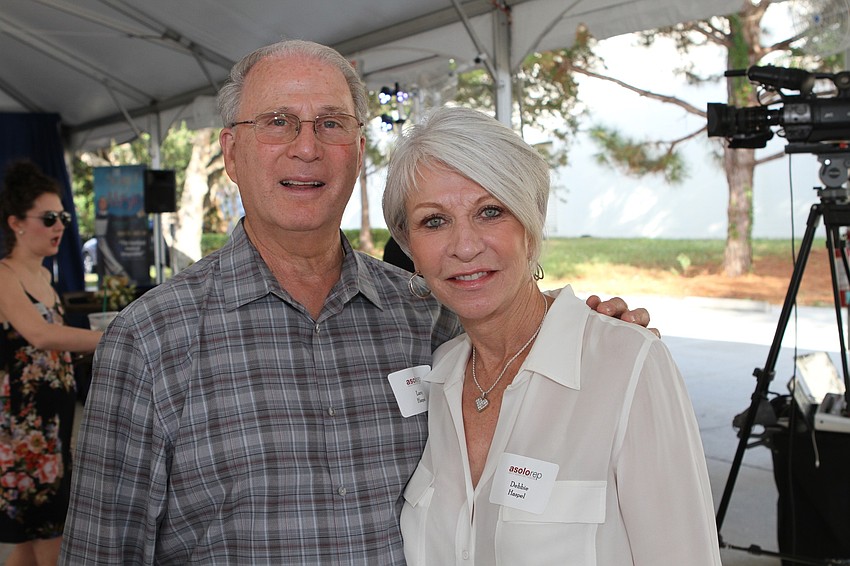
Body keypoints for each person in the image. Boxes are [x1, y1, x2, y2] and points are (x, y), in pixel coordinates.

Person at [59, 40, 652, 565]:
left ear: (358, 150)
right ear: (232, 153)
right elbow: (101, 550)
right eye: (278, 122)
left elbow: (519, 370)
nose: (307, 147)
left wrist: (584, 334)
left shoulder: (429, 317)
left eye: (331, 124)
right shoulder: (151, 340)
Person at [383, 106, 721, 565]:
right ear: (410, 247)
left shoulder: (627, 365)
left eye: (490, 211)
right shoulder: (439, 375)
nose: (464, 246)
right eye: (434, 221)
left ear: (531, 225)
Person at [0, 161, 102, 566]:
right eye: (48, 218)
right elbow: (39, 336)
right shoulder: (5, 275)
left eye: (62, 216)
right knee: (53, 544)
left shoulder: (43, 276)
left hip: (52, 427)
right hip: (21, 435)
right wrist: (116, 338)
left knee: (28, 546)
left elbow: (51, 351)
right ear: (16, 223)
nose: (60, 225)